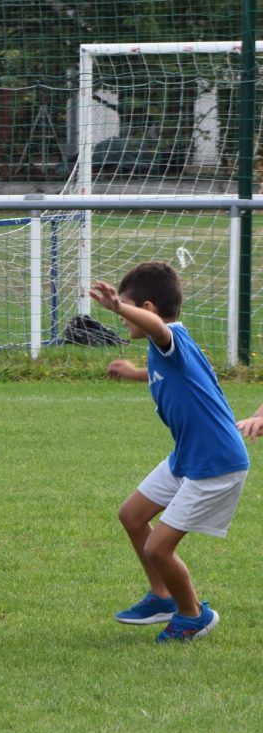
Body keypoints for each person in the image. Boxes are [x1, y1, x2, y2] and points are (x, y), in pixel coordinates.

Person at [90, 261, 248, 642]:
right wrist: (133, 373)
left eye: (128, 312)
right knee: (132, 516)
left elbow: (159, 330)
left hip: (215, 462)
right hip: (189, 456)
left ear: (146, 309)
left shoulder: (167, 336)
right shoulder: (168, 349)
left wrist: (116, 306)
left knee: (159, 549)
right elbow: (172, 371)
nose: (122, 321)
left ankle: (193, 615)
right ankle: (162, 596)